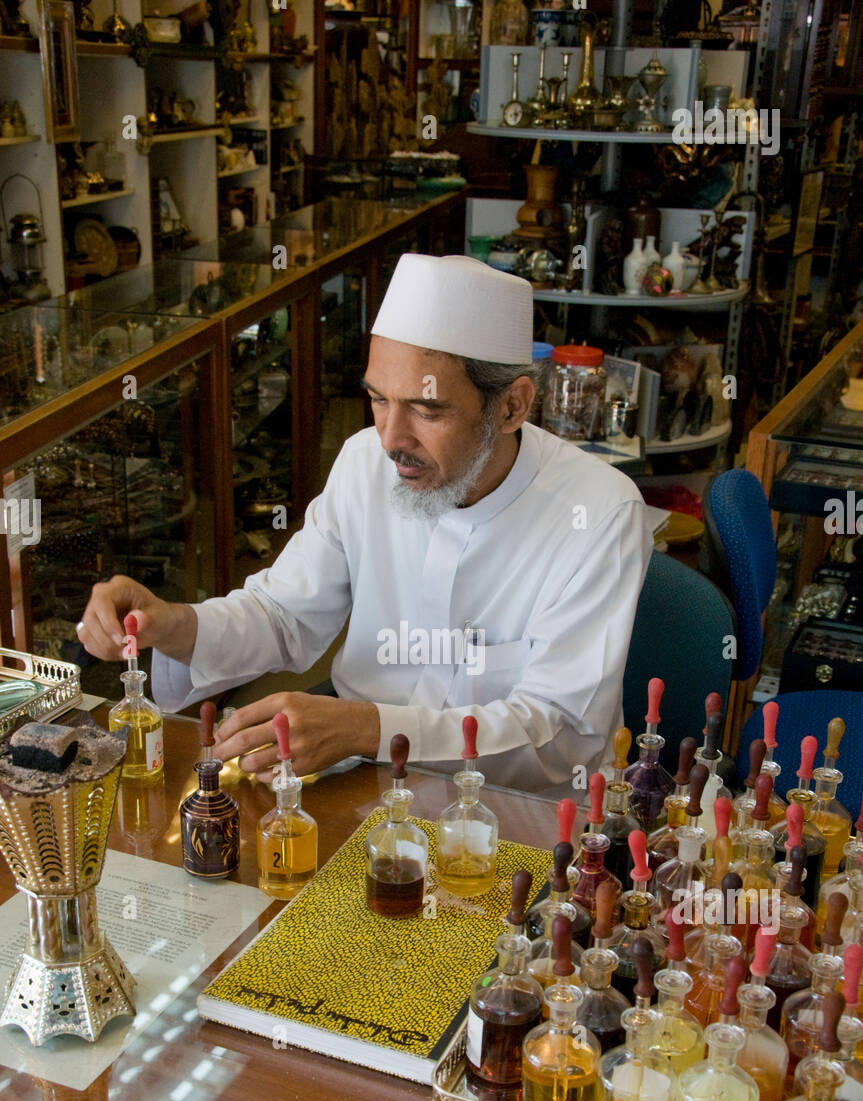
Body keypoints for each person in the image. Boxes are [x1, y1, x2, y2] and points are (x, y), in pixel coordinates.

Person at [78, 253, 651, 795]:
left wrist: (368, 729)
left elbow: (560, 732)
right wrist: (168, 624)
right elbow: (282, 615)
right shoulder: (363, 462)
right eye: (379, 400)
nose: (391, 439)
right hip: (360, 785)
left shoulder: (600, 514)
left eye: (426, 410)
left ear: (511, 406)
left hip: (517, 814)